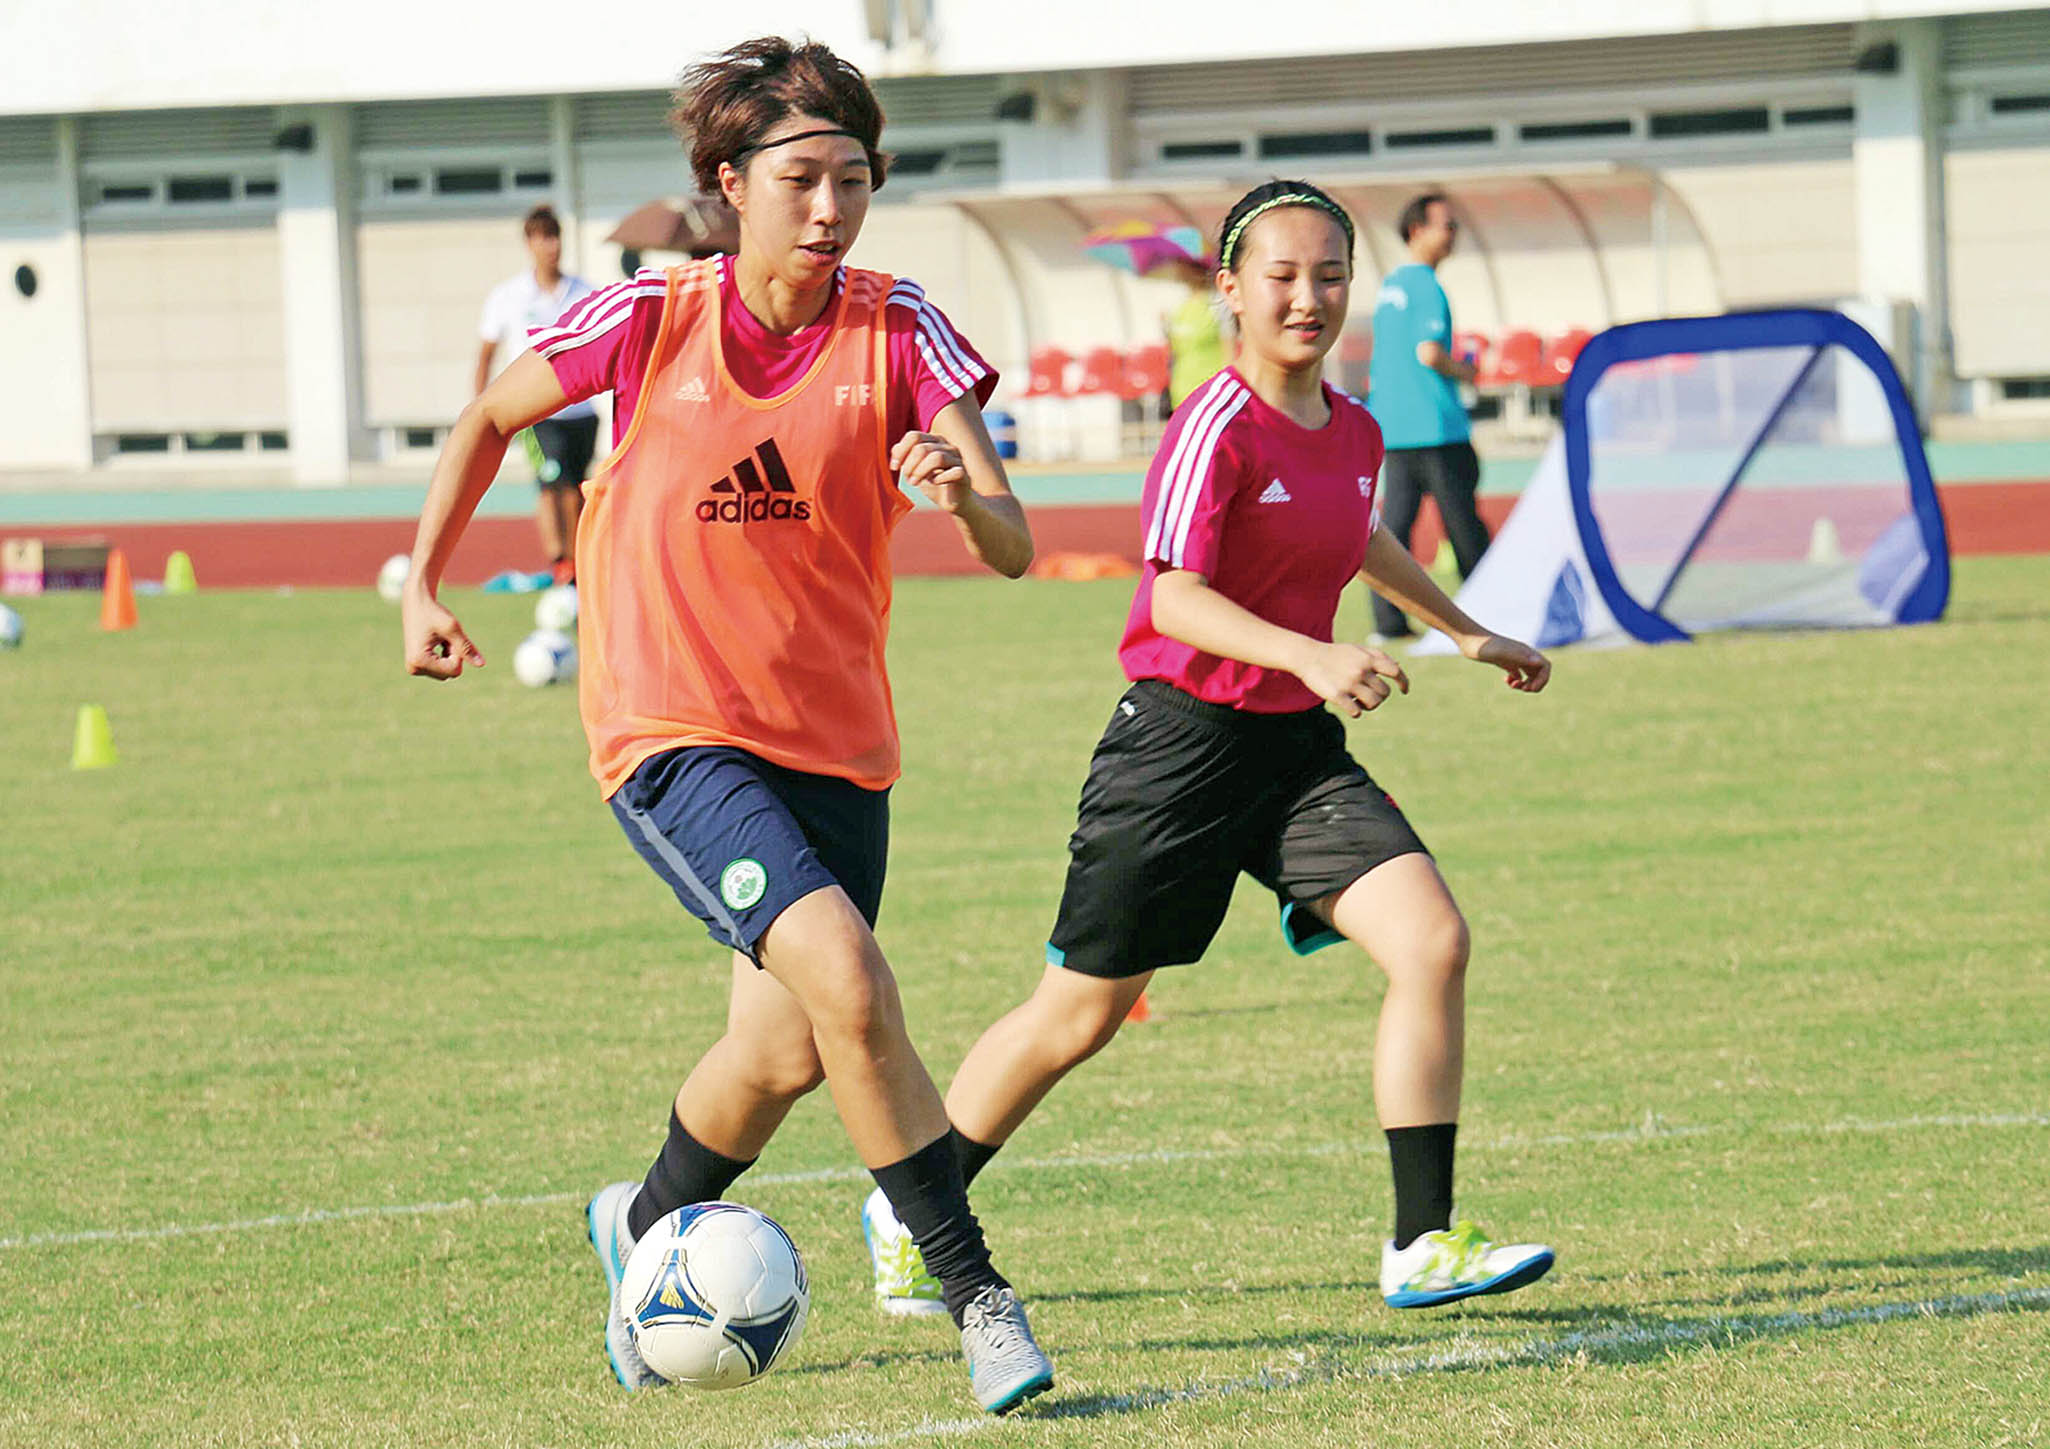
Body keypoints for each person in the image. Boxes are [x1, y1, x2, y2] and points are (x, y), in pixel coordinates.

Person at [403, 36, 1055, 1416]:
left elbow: (1010, 541)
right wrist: (426, 588)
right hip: (671, 730)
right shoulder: (650, 316)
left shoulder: (900, 325)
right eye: (804, 177)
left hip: (837, 743)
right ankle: (975, 1292)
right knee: (850, 978)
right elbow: (480, 419)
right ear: (728, 182)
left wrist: (957, 488)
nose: (831, 208)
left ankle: (640, 1220)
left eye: (855, 179)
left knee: (780, 1052)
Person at [861, 179, 1557, 1321]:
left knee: (1432, 941)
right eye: (1280, 276)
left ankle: (1421, 1242)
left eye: (1329, 276)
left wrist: (1466, 631)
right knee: (1077, 1016)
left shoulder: (1359, 428)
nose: (1307, 298)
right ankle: (908, 1208)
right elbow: (1172, 599)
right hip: (1174, 753)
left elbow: (1359, 532)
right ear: (1229, 288)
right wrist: (1313, 654)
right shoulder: (1213, 424)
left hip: (1291, 754)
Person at [1366, 192, 1489, 642]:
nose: (1454, 234)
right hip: (1437, 426)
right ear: (1417, 230)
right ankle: (1492, 608)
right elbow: (1430, 352)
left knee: (1391, 532)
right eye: (1447, 226)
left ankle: (1388, 623)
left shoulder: (1390, 286)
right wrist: (1467, 371)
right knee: (1464, 528)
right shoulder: (1427, 287)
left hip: (1395, 429)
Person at [475, 204, 598, 586]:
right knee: (551, 482)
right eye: (542, 237)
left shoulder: (584, 291)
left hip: (581, 409)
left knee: (577, 487)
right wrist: (481, 410)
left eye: (555, 236)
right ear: (529, 243)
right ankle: (559, 560)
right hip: (535, 412)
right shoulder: (508, 296)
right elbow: (486, 354)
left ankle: (579, 563)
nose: (550, 245)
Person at [1164, 255, 1230, 410]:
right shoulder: (1179, 308)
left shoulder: (1218, 304)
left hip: (1211, 388)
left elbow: (1229, 349)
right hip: (1182, 388)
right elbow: (1175, 351)